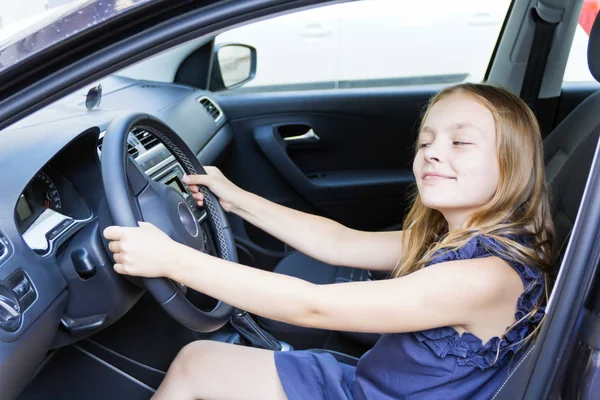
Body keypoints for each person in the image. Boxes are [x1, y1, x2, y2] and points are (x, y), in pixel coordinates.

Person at [103, 83, 555, 399]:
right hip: (372, 386)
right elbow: (340, 242)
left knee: (195, 363)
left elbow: (311, 306)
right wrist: (237, 200)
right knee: (195, 361)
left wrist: (171, 260)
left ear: (510, 164)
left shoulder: (483, 277)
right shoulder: (458, 239)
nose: (433, 152)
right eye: (426, 141)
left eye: (461, 143)